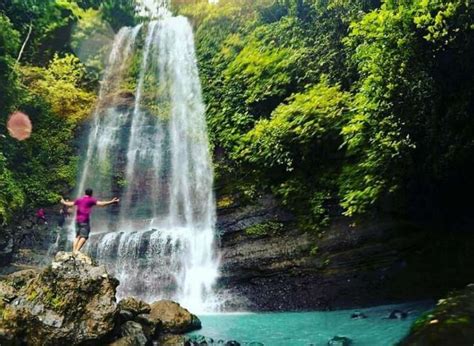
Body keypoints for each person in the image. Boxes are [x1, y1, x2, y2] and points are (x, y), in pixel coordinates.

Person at [60, 188, 119, 254]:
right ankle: (76, 251)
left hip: (77, 221)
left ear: (85, 193)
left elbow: (70, 204)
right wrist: (111, 202)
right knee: (84, 236)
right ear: (91, 194)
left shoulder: (79, 200)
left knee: (77, 236)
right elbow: (101, 204)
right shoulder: (91, 200)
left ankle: (74, 250)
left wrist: (63, 202)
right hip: (84, 221)